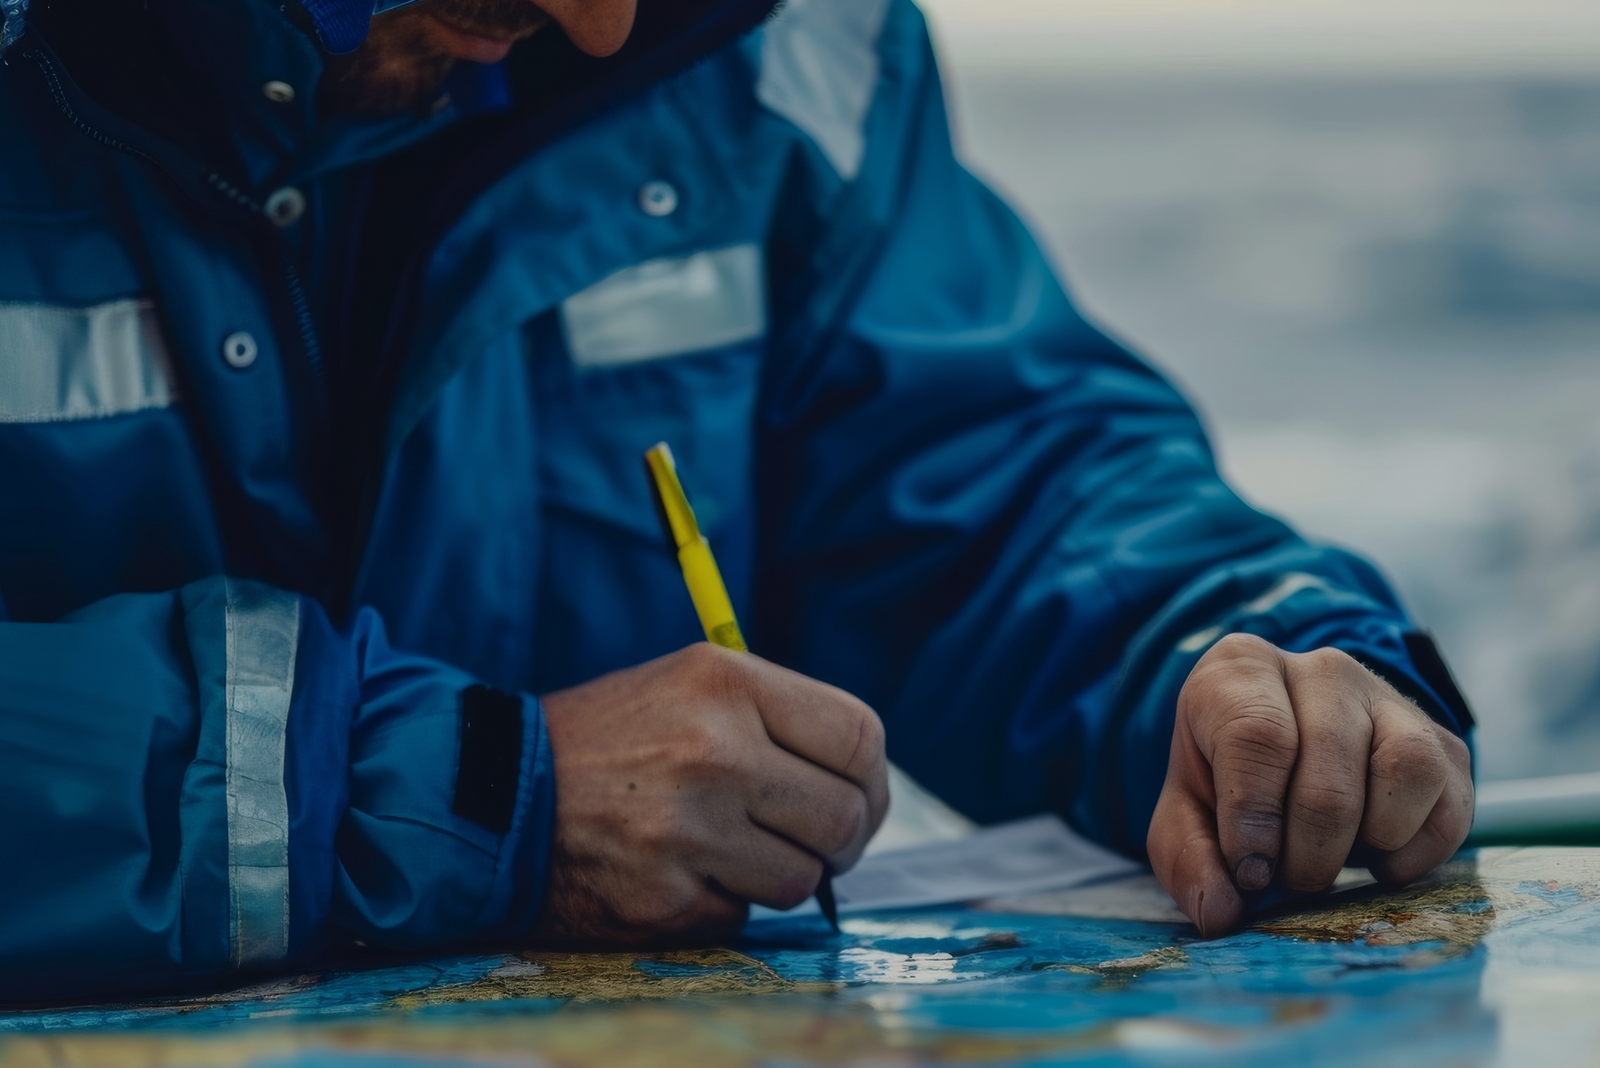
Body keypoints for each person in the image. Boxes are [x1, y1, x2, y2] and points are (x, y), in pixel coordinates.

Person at [0, 0, 1473, 999]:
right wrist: (453, 795)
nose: (605, 24)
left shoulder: (778, 39)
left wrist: (1228, 661)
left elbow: (979, 468)